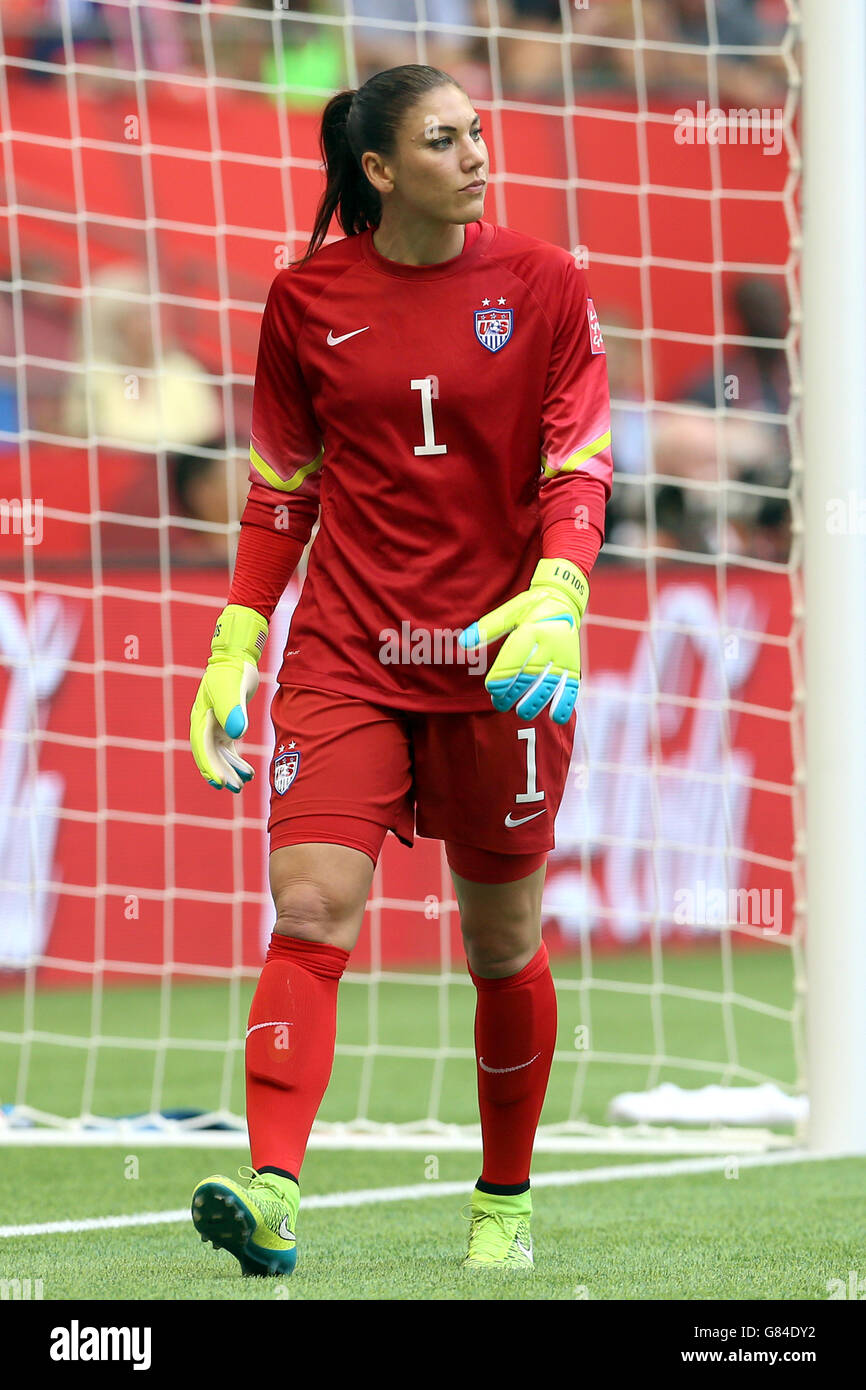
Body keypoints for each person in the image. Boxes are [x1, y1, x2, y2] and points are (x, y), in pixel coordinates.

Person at [188, 63, 613, 1277]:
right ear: (378, 170)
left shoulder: (543, 284)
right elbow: (281, 493)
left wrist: (559, 594)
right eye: (445, 139)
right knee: (310, 908)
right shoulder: (304, 299)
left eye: (479, 133)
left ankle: (501, 1205)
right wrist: (234, 640)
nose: (477, 154)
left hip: (496, 661)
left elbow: (576, 465)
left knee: (499, 942)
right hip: (348, 653)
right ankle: (273, 1193)